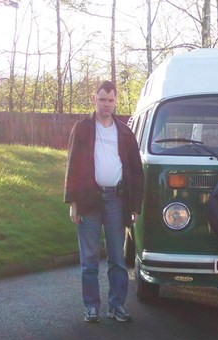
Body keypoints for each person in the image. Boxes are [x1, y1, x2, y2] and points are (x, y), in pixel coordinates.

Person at [64, 81, 144, 323]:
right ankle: (91, 306)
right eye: (102, 99)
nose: (106, 104)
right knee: (89, 260)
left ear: (115, 101)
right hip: (88, 200)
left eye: (110, 100)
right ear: (94, 99)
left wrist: (135, 206)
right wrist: (73, 203)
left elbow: (136, 171)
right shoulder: (83, 129)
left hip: (117, 201)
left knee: (118, 260)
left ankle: (117, 305)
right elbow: (72, 167)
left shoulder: (125, 132)